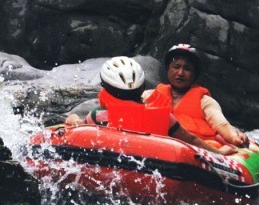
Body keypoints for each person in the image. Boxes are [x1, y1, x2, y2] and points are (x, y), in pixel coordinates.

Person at [64, 56, 235, 155]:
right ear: (141, 88)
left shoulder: (98, 116)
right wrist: (220, 155)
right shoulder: (164, 117)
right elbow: (191, 140)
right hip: (164, 166)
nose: (181, 72)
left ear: (106, 89)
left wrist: (72, 119)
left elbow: (77, 129)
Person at [148, 44, 249, 147]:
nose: (180, 73)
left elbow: (222, 124)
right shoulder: (149, 96)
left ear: (195, 74)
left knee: (214, 144)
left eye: (187, 69)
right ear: (168, 69)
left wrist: (234, 137)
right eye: (176, 67)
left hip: (199, 150)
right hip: (159, 146)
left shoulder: (205, 101)